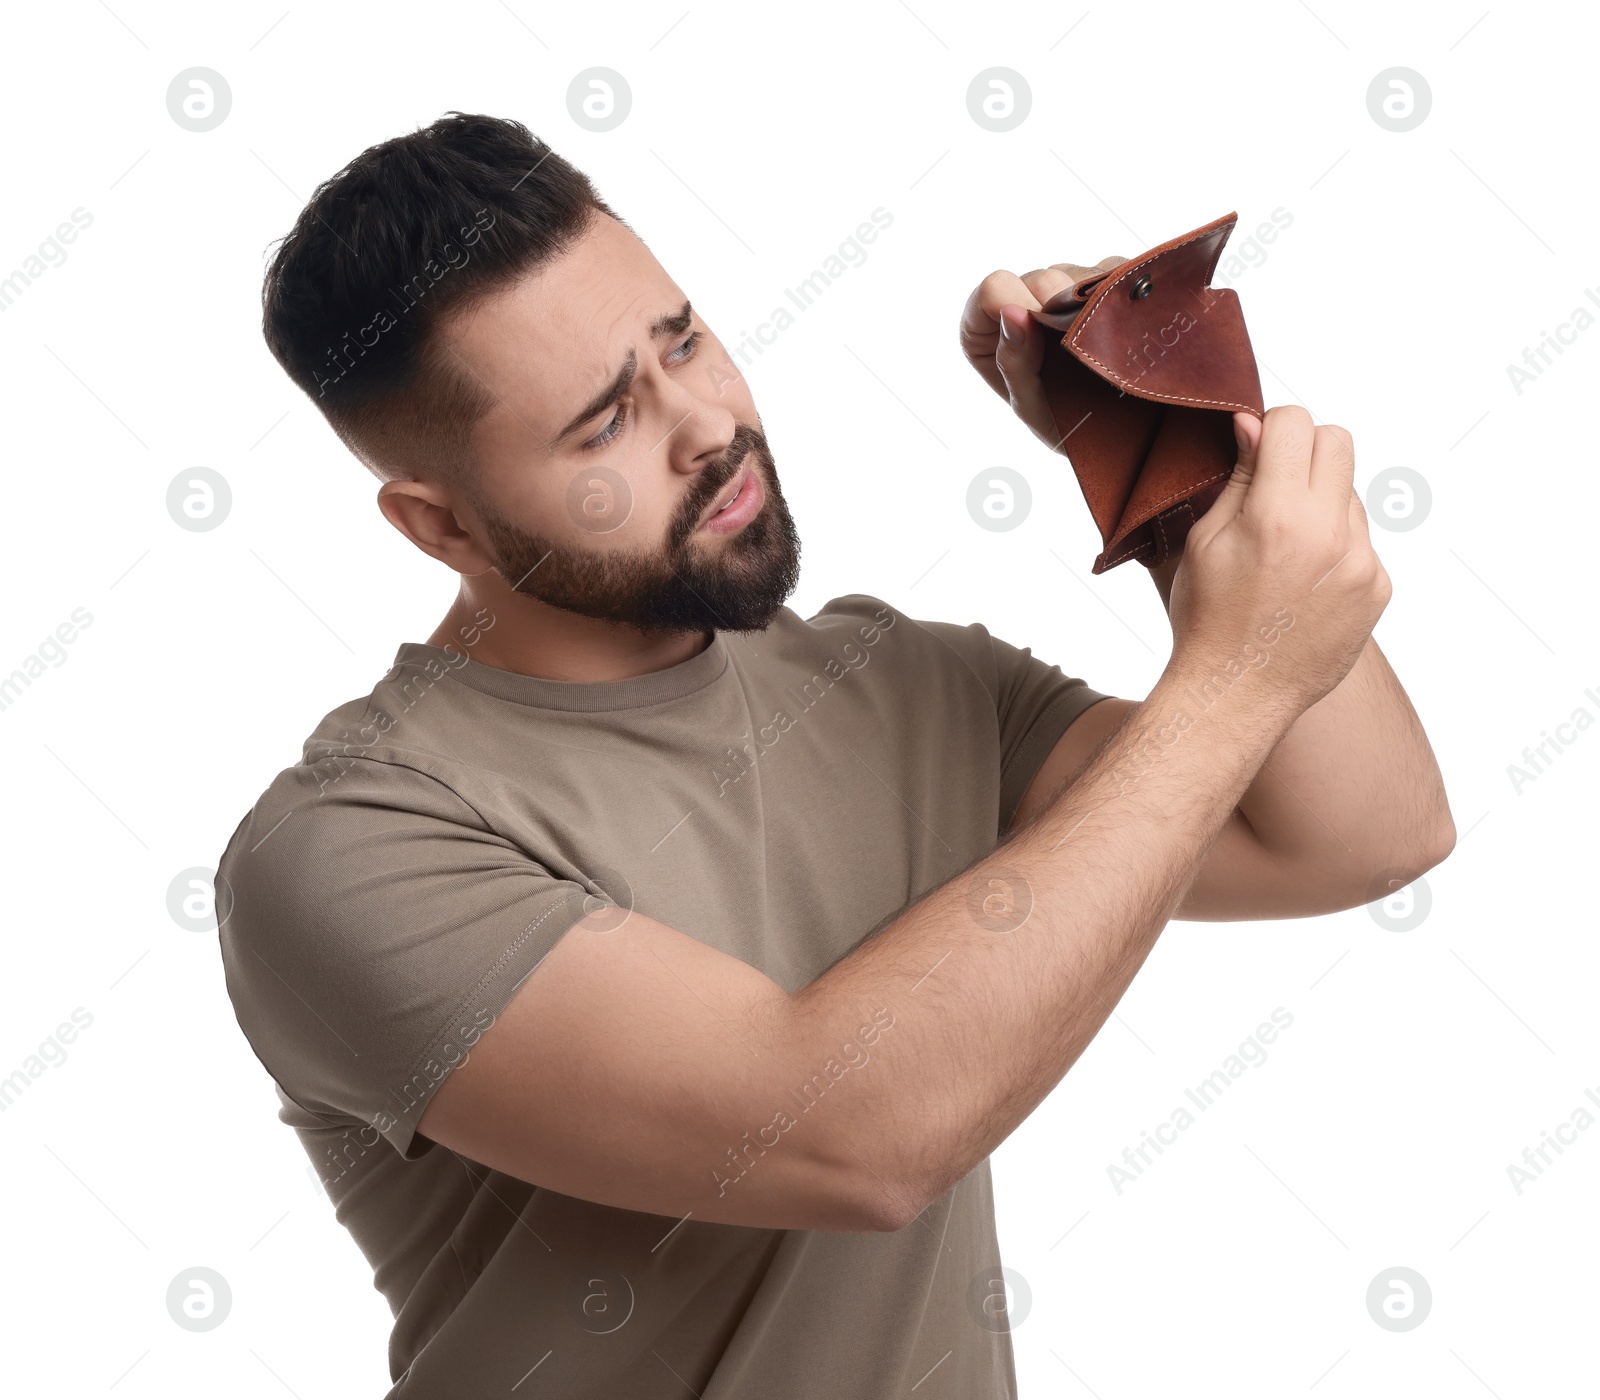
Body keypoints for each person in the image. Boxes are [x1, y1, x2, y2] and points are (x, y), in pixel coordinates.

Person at [214, 111, 1454, 1399]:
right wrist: (1234, 670)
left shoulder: (892, 683)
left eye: (683, 339)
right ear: (441, 527)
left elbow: (1362, 835)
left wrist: (1167, 466)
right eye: (603, 426)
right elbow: (854, 1140)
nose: (707, 424)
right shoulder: (351, 848)